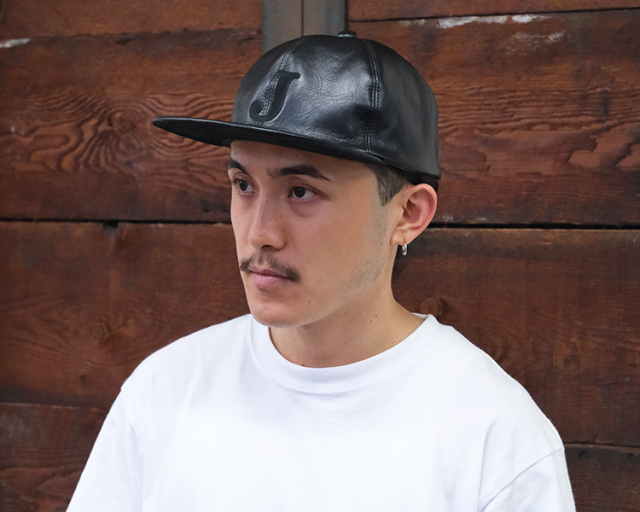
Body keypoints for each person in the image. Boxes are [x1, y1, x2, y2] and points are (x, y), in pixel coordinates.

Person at [67, 31, 575, 511]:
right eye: (243, 185)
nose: (260, 232)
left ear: (408, 213)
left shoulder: (493, 435)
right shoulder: (165, 391)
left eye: (301, 191)